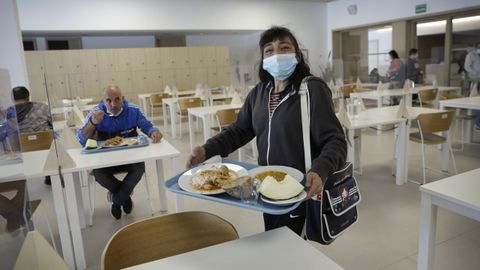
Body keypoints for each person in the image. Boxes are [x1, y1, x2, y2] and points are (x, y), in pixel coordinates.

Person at [186, 26, 347, 236]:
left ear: (297, 55)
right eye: (269, 50)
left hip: (299, 186)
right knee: (273, 234)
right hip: (266, 184)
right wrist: (207, 149)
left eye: (284, 47)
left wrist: (321, 169)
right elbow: (240, 130)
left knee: (292, 243)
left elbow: (335, 140)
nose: (277, 54)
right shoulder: (259, 93)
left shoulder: (312, 90)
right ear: (263, 59)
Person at [76, 85, 162, 219]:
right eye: (108, 101)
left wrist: (154, 132)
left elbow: (147, 125)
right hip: (105, 160)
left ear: (123, 99)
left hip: (130, 157)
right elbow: (81, 138)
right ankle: (124, 196)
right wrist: (93, 123)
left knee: (139, 169)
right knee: (98, 174)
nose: (113, 104)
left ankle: (116, 200)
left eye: (117, 100)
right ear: (103, 101)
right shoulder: (96, 112)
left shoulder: (133, 110)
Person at [12, 86, 53, 185]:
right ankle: (50, 174)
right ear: (28, 97)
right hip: (45, 148)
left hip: (21, 151)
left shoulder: (8, 113)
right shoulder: (42, 107)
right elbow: (52, 122)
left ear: (13, 99)